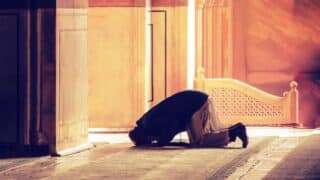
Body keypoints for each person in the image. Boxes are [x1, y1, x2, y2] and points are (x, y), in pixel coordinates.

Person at [128, 90, 248, 148]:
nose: (151, 141)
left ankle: (234, 132)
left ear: (143, 136)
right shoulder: (146, 122)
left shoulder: (150, 125)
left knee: (198, 142)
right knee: (207, 134)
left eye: (147, 141)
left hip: (195, 104)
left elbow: (172, 125)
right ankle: (234, 130)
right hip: (196, 101)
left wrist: (162, 141)